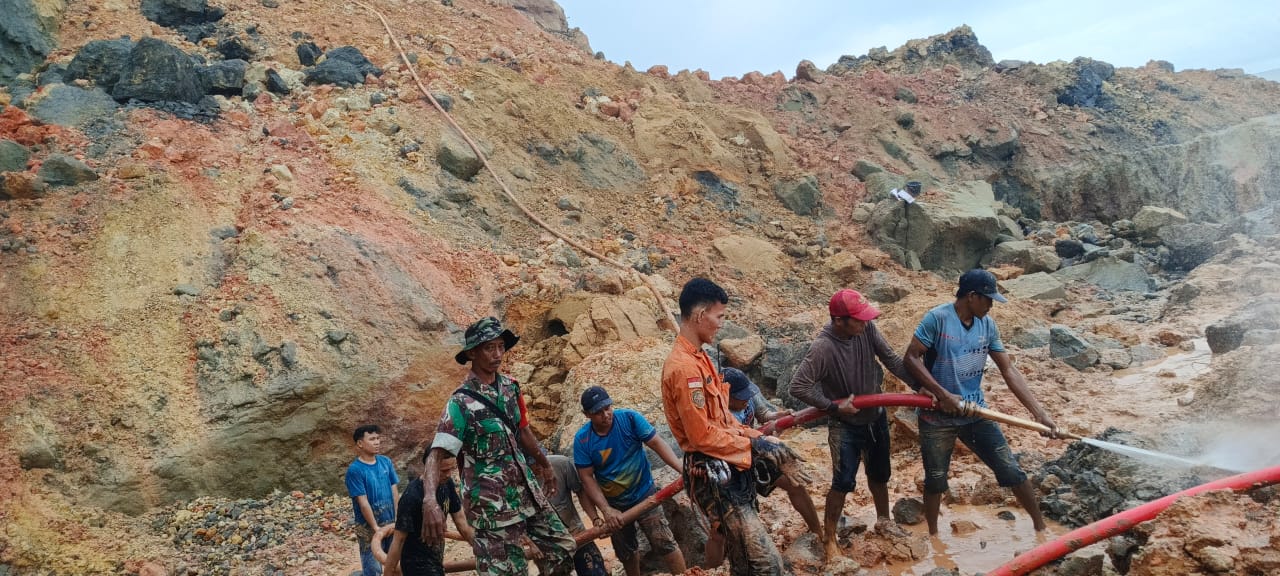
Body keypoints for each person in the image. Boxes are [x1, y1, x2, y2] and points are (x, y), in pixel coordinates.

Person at [661, 277, 801, 576]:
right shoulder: (685, 369)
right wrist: (753, 446)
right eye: (719, 316)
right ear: (701, 316)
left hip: (728, 467)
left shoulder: (702, 359)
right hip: (712, 474)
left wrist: (763, 440)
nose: (721, 324)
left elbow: (723, 421)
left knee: (744, 561)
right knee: (765, 564)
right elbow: (701, 435)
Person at [903, 269, 1059, 535]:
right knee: (936, 480)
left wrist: (1039, 414)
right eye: (988, 300)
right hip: (937, 417)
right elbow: (911, 357)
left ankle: (1042, 530)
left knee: (1010, 470)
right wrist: (942, 394)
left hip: (976, 413)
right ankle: (933, 538)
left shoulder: (987, 325)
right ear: (972, 296)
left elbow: (1008, 370)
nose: (991, 306)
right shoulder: (937, 319)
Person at [419, 317, 576, 576]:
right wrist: (430, 501)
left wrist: (545, 464)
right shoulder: (460, 402)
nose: (498, 354)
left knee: (562, 549)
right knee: (508, 572)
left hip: (525, 492)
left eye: (501, 346)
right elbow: (436, 455)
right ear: (472, 353)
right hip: (490, 505)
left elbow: (523, 431)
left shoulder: (510, 388)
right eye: (489, 348)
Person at [789, 289, 918, 559]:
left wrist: (920, 387)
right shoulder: (823, 347)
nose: (864, 323)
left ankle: (884, 521)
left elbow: (891, 359)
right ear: (839, 321)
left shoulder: (867, 329)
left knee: (880, 474)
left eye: (864, 319)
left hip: (875, 416)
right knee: (843, 482)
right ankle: (830, 539)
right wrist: (834, 406)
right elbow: (798, 386)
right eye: (858, 320)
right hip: (845, 424)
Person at [708, 368, 820, 565]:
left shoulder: (748, 393)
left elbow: (763, 413)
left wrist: (780, 415)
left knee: (795, 485)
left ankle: (818, 534)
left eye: (747, 395)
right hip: (727, 466)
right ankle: (712, 570)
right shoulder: (715, 412)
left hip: (757, 452)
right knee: (719, 528)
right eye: (740, 398)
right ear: (724, 394)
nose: (746, 400)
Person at [573, 386, 687, 576]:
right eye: (598, 412)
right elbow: (586, 478)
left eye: (607, 408)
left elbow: (657, 443)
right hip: (614, 505)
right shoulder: (583, 440)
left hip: (644, 494)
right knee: (626, 552)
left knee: (664, 541)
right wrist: (606, 510)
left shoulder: (629, 419)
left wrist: (682, 470)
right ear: (587, 415)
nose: (606, 414)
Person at [382, 450, 474, 576]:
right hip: (416, 564)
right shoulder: (412, 496)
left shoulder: (447, 484)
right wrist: (388, 573)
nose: (448, 475)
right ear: (429, 468)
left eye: (451, 469)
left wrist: (482, 549)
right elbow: (399, 540)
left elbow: (461, 522)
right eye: (443, 471)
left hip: (435, 559)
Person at [346, 424, 400, 576]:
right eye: (372, 439)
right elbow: (363, 503)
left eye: (378, 438)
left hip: (390, 522)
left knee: (395, 562)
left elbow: (394, 490)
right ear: (360, 443)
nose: (377, 442)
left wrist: (397, 518)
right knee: (373, 568)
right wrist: (376, 528)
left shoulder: (385, 462)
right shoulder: (355, 470)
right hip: (369, 527)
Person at [545, 454, 609, 576]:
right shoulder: (515, 478)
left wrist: (595, 519)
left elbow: (580, 492)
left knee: (595, 571)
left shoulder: (561, 464)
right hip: (546, 543)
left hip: (576, 532)